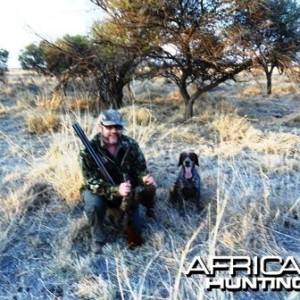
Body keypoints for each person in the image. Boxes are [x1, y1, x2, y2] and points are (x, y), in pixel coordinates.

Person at [79, 109, 156, 253]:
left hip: (126, 193)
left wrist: (145, 177)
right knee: (94, 204)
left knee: (136, 227)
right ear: (100, 127)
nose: (114, 131)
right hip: (100, 192)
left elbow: (140, 168)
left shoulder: (130, 144)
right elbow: (91, 182)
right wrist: (115, 190)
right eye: (109, 127)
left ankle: (143, 210)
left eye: (118, 127)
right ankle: (98, 240)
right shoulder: (88, 152)